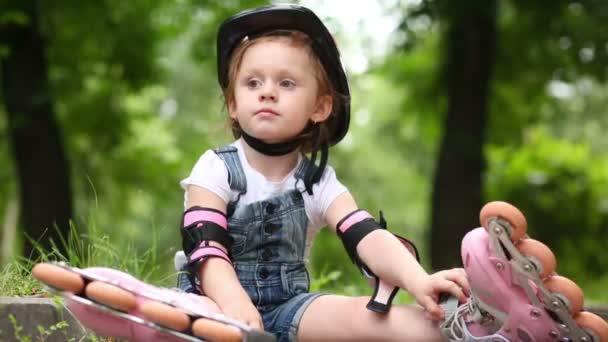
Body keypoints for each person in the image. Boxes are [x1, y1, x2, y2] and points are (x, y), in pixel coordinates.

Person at [174, 4, 469, 341]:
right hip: (214, 301)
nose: (267, 91)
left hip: (289, 308)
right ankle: (158, 317)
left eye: (286, 83)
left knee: (381, 319)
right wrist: (235, 305)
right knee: (203, 320)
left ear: (319, 107)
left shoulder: (317, 181)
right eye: (253, 82)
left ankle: (472, 329)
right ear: (233, 104)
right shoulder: (215, 167)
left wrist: (419, 280)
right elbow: (205, 249)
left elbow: (367, 236)